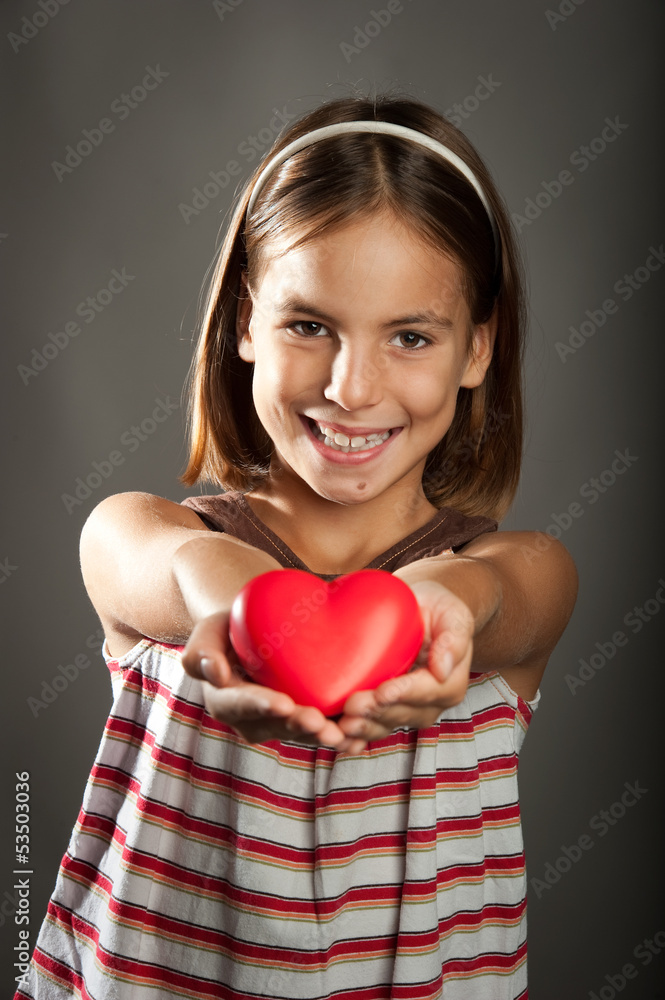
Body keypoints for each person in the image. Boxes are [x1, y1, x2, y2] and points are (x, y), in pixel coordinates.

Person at [16, 93, 578, 1000]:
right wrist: (239, 609)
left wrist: (436, 608)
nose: (351, 388)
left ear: (477, 348)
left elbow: (494, 593)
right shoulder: (155, 540)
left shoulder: (522, 573)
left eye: (408, 336)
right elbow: (155, 558)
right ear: (244, 322)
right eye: (308, 325)